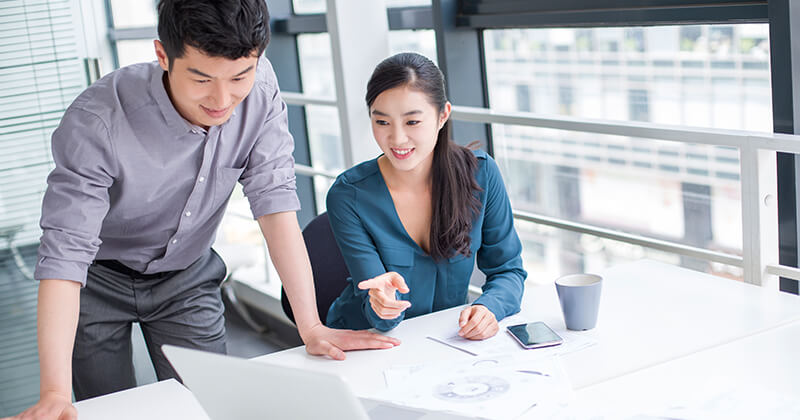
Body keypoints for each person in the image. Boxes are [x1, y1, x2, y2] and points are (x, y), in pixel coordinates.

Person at [6, 1, 398, 419]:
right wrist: (53, 391)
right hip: (96, 278)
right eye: (201, 78)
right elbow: (65, 257)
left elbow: (276, 207)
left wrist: (311, 326)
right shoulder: (97, 121)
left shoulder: (260, 90)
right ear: (163, 56)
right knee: (106, 407)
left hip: (187, 275)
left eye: (238, 77)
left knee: (209, 405)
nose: (222, 99)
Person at [325, 52, 527, 339]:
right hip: (365, 339)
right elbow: (377, 312)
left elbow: (508, 270)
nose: (396, 139)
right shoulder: (348, 195)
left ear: (442, 115)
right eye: (382, 122)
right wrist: (383, 306)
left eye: (412, 122)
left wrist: (489, 308)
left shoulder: (481, 175)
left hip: (445, 340)